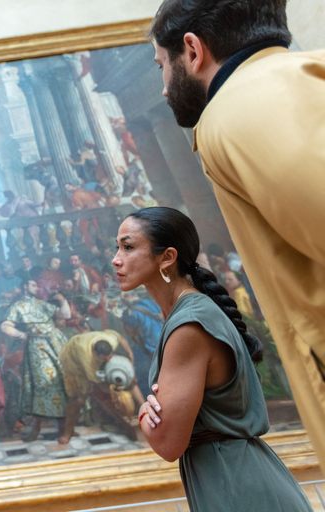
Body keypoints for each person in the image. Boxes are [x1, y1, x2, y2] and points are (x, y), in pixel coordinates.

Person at [149, 0, 325, 465]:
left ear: (192, 49)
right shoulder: (298, 76)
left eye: (162, 66)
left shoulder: (243, 107)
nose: (164, 89)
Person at [112, 207, 311, 511]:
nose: (116, 258)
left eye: (128, 247)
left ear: (167, 257)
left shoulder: (189, 325)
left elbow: (167, 443)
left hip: (237, 487)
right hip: (234, 477)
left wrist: (142, 411)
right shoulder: (189, 314)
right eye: (118, 247)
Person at [0, 280, 72, 442]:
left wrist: (62, 300)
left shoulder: (41, 304)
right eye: (33, 285)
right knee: (42, 385)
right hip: (38, 347)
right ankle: (36, 428)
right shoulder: (18, 306)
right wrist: (24, 335)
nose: (37, 288)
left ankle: (64, 428)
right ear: (25, 287)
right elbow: (5, 326)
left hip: (56, 343)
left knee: (61, 382)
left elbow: (65, 315)